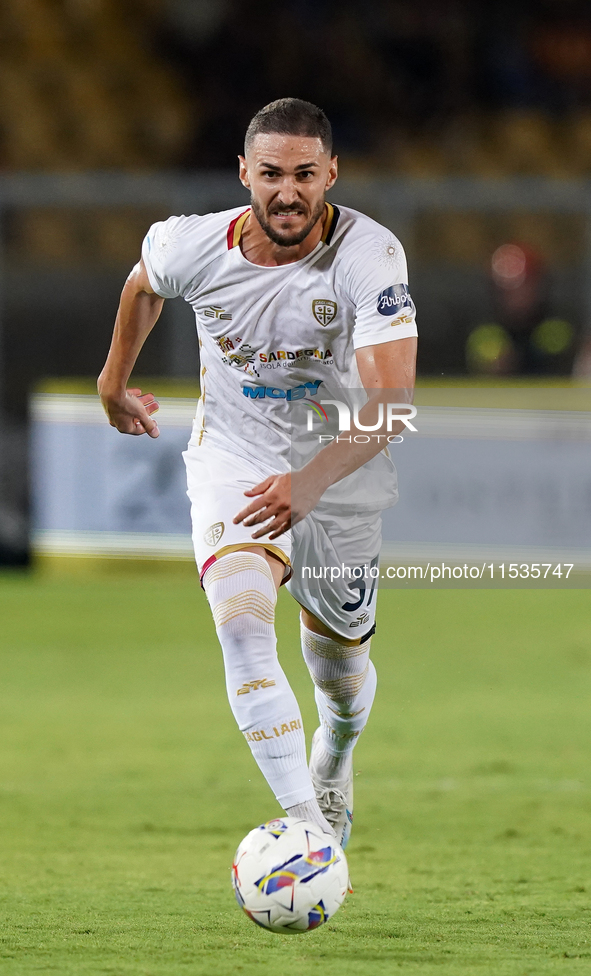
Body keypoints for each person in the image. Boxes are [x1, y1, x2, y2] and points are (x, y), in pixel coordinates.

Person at [98, 98, 417, 849]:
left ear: (330, 173)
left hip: (338, 478)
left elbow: (391, 405)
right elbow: (143, 285)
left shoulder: (369, 257)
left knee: (338, 677)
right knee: (243, 629)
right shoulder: (193, 245)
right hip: (233, 460)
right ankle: (307, 832)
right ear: (244, 173)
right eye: (270, 173)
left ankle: (333, 762)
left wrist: (310, 482)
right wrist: (112, 381)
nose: (287, 191)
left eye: (304, 174)